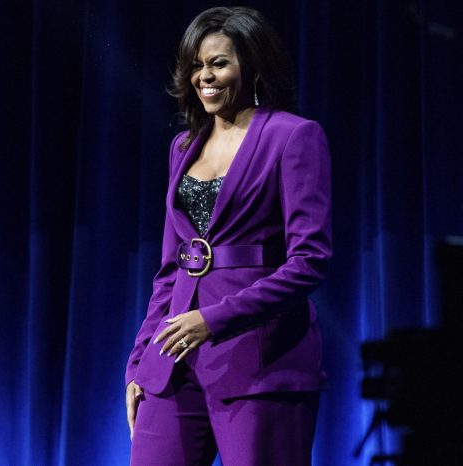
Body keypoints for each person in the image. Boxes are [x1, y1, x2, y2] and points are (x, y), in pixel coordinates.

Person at [124, 6, 332, 466]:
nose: (205, 77)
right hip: (173, 363)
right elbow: (170, 268)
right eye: (197, 66)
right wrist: (140, 359)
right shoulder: (183, 146)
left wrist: (214, 319)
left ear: (252, 65)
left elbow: (310, 260)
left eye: (218, 63)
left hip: (260, 360)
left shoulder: (294, 136)